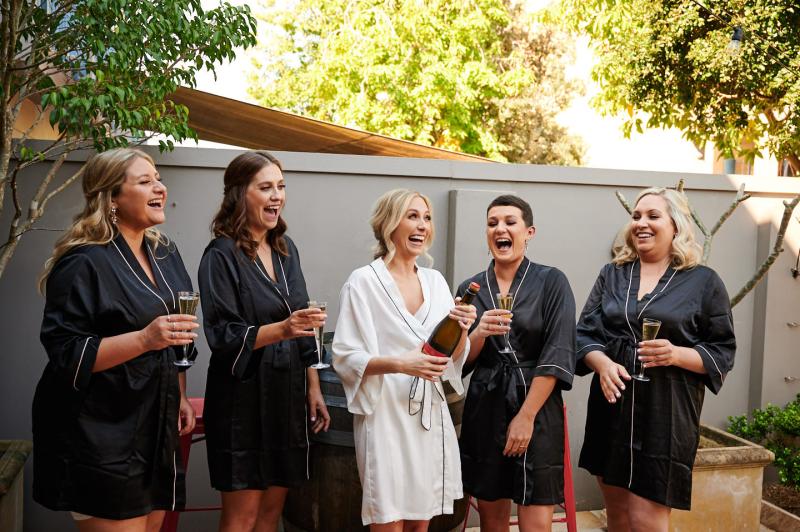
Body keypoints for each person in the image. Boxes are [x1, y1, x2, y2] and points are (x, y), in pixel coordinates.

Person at [33, 148, 199, 531]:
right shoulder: (83, 263)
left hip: (155, 423)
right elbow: (66, 353)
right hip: (99, 430)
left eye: (158, 178)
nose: (160, 187)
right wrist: (144, 339)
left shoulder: (164, 253)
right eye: (144, 181)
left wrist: (180, 392)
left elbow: (177, 335)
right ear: (111, 198)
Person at [576, 187, 736, 531]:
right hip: (612, 406)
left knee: (647, 519)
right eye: (636, 216)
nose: (641, 223)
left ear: (676, 226)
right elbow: (585, 333)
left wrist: (677, 353)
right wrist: (601, 364)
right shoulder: (613, 274)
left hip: (667, 413)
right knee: (617, 515)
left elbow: (722, 349)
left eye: (653, 216)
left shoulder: (703, 282)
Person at [198, 150, 330, 532]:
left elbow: (303, 323)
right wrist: (282, 329)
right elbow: (222, 335)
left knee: (272, 514)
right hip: (241, 399)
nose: (277, 196)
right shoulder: (220, 256)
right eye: (266, 187)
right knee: (242, 516)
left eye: (281, 187)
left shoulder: (286, 251)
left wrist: (314, 388)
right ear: (240, 194)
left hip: (286, 395)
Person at [332, 188, 477, 531]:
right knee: (388, 521)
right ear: (389, 224)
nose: (422, 226)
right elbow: (346, 356)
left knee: (419, 523)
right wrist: (402, 364)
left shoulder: (436, 282)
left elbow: (450, 359)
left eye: (426, 218)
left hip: (429, 416)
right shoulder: (363, 282)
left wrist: (464, 330)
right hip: (385, 416)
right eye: (412, 216)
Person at [457, 195, 576, 531]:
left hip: (536, 407)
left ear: (529, 232)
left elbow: (557, 352)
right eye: (493, 223)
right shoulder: (471, 288)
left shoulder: (552, 282)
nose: (500, 229)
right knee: (492, 521)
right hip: (486, 404)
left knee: (536, 518)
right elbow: (460, 361)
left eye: (510, 222)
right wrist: (478, 332)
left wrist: (526, 417)